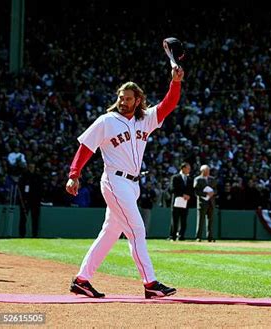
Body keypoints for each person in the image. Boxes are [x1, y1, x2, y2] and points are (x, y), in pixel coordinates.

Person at [65, 66, 184, 299]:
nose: (123, 101)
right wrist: (74, 173)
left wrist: (176, 82)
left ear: (137, 100)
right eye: (121, 97)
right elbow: (86, 147)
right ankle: (150, 283)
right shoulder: (107, 121)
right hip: (114, 181)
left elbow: (168, 104)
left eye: (128, 98)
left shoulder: (145, 119)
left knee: (109, 233)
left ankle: (81, 280)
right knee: (137, 230)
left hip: (132, 185)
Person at [169, 162, 193, 241]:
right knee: (175, 219)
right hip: (177, 201)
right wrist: (183, 195)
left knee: (184, 220)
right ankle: (173, 236)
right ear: (183, 168)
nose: (189, 170)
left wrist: (188, 195)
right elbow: (172, 189)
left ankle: (181, 236)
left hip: (185, 202)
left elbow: (191, 190)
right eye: (188, 168)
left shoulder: (189, 179)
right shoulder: (175, 177)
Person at [18, 163, 43, 237]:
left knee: (35, 218)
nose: (31, 168)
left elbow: (40, 189)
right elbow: (21, 188)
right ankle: (22, 235)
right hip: (25, 201)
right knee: (23, 218)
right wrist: (23, 198)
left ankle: (34, 235)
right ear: (28, 167)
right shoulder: (24, 176)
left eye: (33, 167)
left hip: (35, 201)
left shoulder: (38, 176)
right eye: (30, 167)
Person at [194, 164, 217, 242]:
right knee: (200, 220)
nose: (208, 172)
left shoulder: (212, 179)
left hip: (211, 202)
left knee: (210, 220)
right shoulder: (198, 179)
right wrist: (206, 194)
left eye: (208, 170)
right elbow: (196, 191)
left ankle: (210, 237)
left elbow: (216, 189)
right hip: (202, 203)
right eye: (206, 171)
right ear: (202, 171)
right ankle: (198, 237)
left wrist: (212, 193)